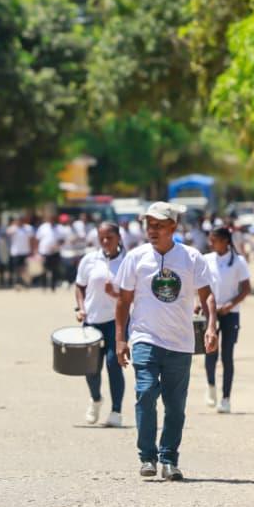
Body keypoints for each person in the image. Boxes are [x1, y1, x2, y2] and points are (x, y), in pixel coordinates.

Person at [115, 203, 217, 481]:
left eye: (159, 225)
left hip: (180, 343)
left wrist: (211, 326)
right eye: (149, 225)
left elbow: (207, 295)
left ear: (173, 227)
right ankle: (147, 456)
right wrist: (121, 339)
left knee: (175, 406)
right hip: (145, 338)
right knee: (146, 393)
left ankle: (169, 459)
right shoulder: (135, 258)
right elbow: (123, 301)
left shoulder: (192, 257)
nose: (152, 230)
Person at [74, 222, 127, 427]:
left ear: (119, 238)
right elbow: (80, 286)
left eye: (110, 238)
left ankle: (116, 411)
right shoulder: (89, 260)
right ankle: (96, 399)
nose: (105, 242)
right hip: (92, 321)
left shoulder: (127, 261)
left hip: (116, 320)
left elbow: (135, 292)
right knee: (91, 368)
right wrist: (80, 308)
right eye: (102, 238)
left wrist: (116, 294)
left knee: (114, 364)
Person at [203, 226, 251, 414]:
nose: (211, 243)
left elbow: (246, 289)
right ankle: (211, 386)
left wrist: (230, 305)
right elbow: (202, 287)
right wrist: (200, 304)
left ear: (225, 242)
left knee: (227, 355)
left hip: (230, 313)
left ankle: (226, 398)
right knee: (210, 351)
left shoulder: (238, 262)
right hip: (210, 311)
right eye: (210, 240)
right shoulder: (207, 260)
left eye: (214, 240)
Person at [36, 215, 62, 292]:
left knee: (54, 270)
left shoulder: (59, 228)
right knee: (43, 270)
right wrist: (36, 251)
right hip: (44, 252)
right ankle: (43, 286)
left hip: (55, 252)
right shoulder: (43, 227)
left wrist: (56, 246)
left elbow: (62, 239)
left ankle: (53, 287)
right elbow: (37, 239)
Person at [7, 216, 33, 289]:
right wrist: (14, 228)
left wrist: (32, 250)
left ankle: (25, 282)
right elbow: (7, 234)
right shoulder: (12, 228)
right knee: (17, 268)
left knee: (25, 268)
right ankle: (18, 282)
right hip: (16, 252)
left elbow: (31, 240)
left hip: (26, 251)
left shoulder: (28, 228)